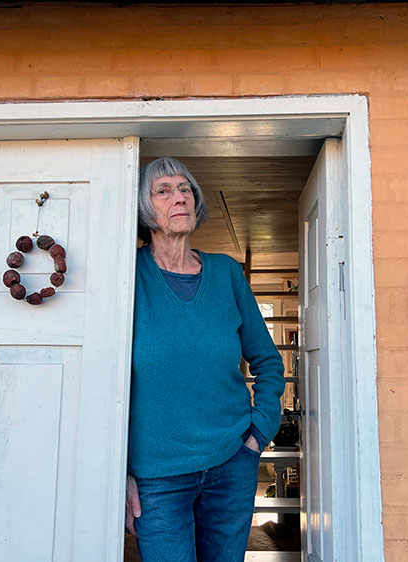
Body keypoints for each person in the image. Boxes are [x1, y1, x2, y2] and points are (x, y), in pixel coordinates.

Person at [126, 157, 285, 562]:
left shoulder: (227, 273)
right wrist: (120, 468)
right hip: (155, 477)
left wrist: (256, 436)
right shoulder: (128, 275)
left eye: (186, 190)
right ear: (145, 208)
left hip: (232, 463)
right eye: (163, 191)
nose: (179, 197)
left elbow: (267, 360)